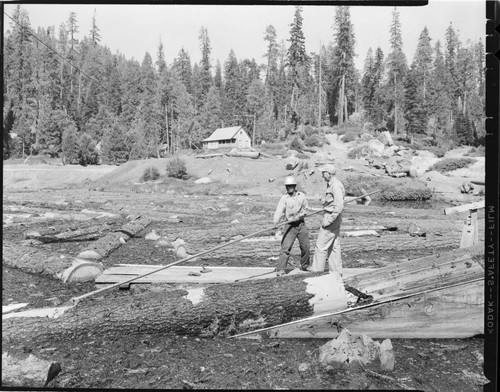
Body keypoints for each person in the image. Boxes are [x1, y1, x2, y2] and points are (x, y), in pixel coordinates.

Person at [310, 164, 345, 277]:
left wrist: (329, 220)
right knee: (334, 246)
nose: (322, 175)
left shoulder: (335, 186)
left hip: (331, 217)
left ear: (329, 174)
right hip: (332, 216)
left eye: (323, 173)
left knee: (321, 247)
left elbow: (338, 206)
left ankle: (316, 274)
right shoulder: (333, 185)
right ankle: (336, 274)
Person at [273, 176, 311, 276]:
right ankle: (280, 269)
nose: (288, 188)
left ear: (294, 186)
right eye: (287, 186)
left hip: (301, 224)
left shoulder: (301, 196)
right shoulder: (284, 198)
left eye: (290, 186)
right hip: (289, 226)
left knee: (306, 247)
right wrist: (275, 222)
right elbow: (279, 210)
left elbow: (306, 209)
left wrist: (299, 216)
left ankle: (305, 265)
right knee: (286, 248)